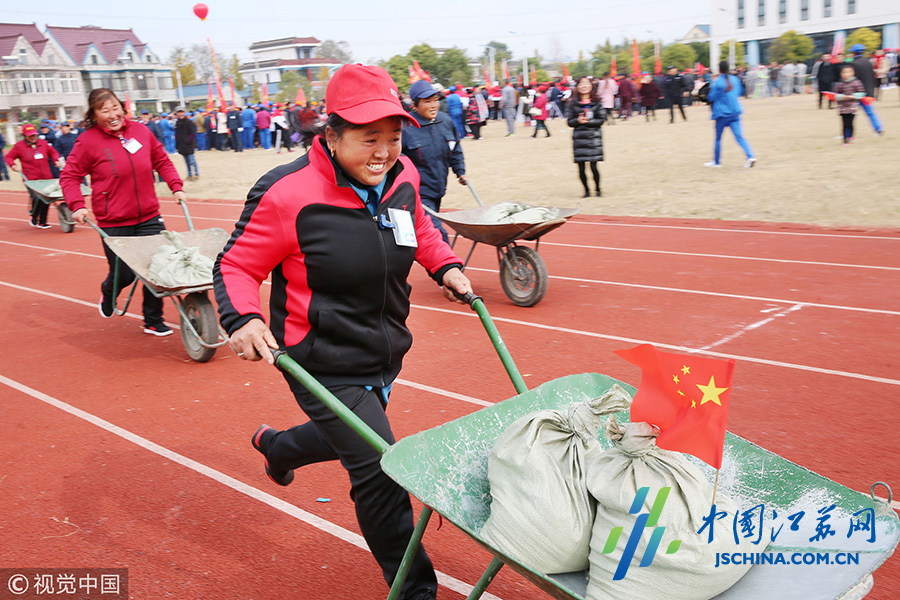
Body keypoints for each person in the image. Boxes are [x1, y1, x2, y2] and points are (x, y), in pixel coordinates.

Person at [213, 64, 472, 600]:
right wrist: (243, 318)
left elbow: (418, 226)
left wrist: (445, 265)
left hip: (384, 348)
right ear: (330, 136)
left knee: (353, 435)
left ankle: (281, 448)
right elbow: (236, 265)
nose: (384, 151)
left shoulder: (401, 175)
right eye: (368, 138)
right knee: (380, 468)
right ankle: (415, 591)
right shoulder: (287, 193)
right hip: (320, 358)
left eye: (393, 137)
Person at [60, 88, 186, 336]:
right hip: (113, 220)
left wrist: (176, 186)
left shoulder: (140, 131)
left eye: (115, 107)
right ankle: (109, 291)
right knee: (125, 274)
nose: (112, 114)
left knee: (156, 267)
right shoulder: (87, 141)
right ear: (94, 115)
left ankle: (153, 319)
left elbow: (162, 160)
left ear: (123, 108)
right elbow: (70, 176)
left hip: (149, 215)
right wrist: (77, 205)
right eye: (104, 110)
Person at [402, 78, 467, 244]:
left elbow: (455, 148)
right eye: (427, 101)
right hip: (417, 194)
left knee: (425, 237)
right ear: (414, 105)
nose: (433, 105)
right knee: (438, 234)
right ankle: (448, 269)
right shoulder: (405, 128)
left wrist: (460, 171)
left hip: (438, 189)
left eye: (435, 100)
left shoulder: (445, 121)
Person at [5, 123, 64, 228]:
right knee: (37, 198)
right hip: (31, 179)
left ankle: (42, 221)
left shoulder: (43, 143)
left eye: (34, 135)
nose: (33, 137)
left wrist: (56, 160)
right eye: (30, 135)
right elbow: (8, 157)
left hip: (46, 177)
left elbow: (54, 152)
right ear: (25, 136)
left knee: (46, 198)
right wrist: (13, 165)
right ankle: (34, 216)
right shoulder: (19, 146)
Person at [704, 60, 756, 168]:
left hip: (722, 113)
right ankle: (750, 156)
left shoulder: (717, 81)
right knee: (739, 137)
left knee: (718, 138)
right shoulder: (735, 79)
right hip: (735, 112)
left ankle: (716, 162)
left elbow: (711, 97)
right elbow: (740, 92)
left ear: (719, 69)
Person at [565, 76, 606, 198]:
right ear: (577, 87)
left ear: (591, 86)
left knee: (594, 166)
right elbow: (569, 122)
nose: (584, 86)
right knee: (581, 167)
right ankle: (586, 191)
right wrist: (578, 121)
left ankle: (598, 189)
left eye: (586, 83)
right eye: (581, 84)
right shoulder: (572, 103)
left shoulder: (597, 102)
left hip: (594, 138)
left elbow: (601, 120)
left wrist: (587, 121)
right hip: (579, 139)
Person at [850, 44, 884, 136]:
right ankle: (878, 129)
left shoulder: (854, 64)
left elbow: (853, 79)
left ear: (853, 52)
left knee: (850, 113)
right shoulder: (868, 62)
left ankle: (848, 133)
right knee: (870, 112)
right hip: (867, 92)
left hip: (857, 93)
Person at [833, 64, 865, 145]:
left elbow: (862, 93)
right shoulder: (840, 84)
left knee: (850, 123)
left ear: (852, 73)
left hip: (852, 106)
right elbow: (835, 95)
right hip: (843, 107)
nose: (846, 74)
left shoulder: (857, 82)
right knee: (844, 124)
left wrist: (854, 96)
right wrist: (841, 97)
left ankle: (850, 136)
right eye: (844, 72)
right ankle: (845, 140)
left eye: (848, 72)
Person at [175, 108, 199, 181]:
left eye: (182, 112)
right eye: (179, 113)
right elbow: (177, 134)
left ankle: (196, 174)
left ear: (184, 113)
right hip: (181, 145)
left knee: (192, 160)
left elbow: (192, 133)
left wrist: (188, 140)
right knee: (186, 162)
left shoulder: (189, 122)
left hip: (189, 144)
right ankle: (189, 175)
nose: (180, 114)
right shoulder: (177, 123)